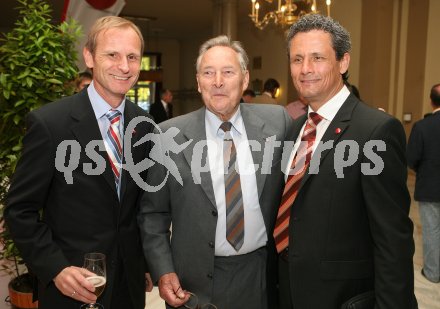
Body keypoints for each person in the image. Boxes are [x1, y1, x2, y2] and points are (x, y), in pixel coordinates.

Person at [5, 16, 154, 309]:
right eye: (112, 54)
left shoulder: (145, 124)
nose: (124, 66)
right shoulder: (51, 124)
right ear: (89, 56)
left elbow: (140, 206)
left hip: (129, 287)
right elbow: (19, 210)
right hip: (73, 288)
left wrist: (146, 263)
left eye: (132, 57)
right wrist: (55, 268)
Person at [138, 35, 293, 309]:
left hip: (259, 277)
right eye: (208, 73)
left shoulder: (277, 123)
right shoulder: (167, 135)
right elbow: (153, 214)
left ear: (245, 79)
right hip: (192, 285)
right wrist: (163, 270)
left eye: (228, 72)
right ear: (198, 81)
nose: (218, 81)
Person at [275, 14, 417, 308]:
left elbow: (392, 241)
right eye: (297, 59)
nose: (305, 69)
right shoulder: (293, 130)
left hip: (342, 298)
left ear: (343, 62)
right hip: (288, 291)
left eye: (317, 58)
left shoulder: (376, 131)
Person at [407, 83, 440, 284]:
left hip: (430, 186)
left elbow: (411, 159)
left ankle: (433, 272)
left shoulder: (422, 126)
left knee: (431, 230)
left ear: (430, 101)